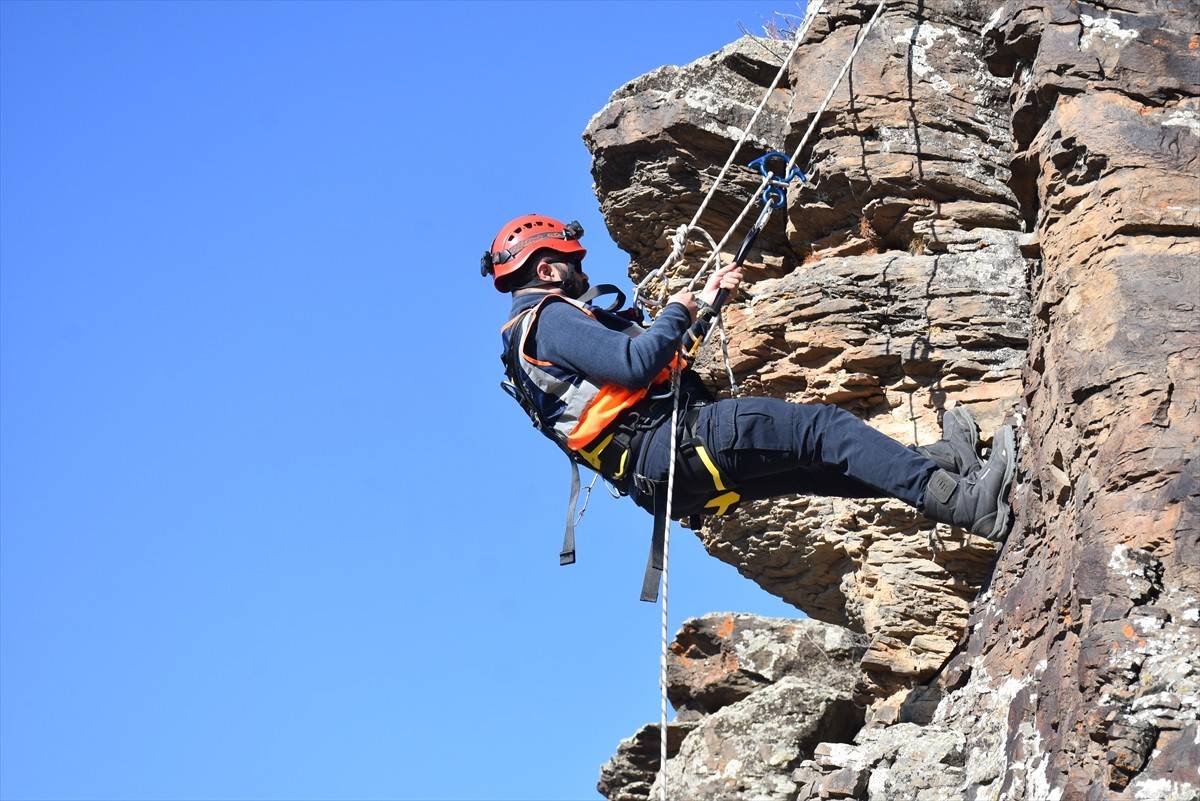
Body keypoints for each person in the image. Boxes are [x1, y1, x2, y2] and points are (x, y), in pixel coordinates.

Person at [483, 214, 1016, 593]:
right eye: (573, 265)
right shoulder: (550, 318)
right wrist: (677, 309)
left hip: (665, 477)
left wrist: (706, 306)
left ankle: (947, 467)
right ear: (548, 270)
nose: (581, 275)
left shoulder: (525, 343)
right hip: (677, 443)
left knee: (820, 466)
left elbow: (647, 375)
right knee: (824, 431)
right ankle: (972, 505)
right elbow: (634, 364)